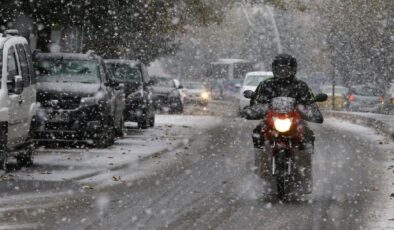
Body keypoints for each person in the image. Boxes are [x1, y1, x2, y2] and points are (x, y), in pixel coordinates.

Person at [244, 53, 323, 148]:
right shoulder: (266, 84)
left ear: (293, 70)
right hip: (271, 119)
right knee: (258, 133)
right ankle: (261, 155)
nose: (283, 72)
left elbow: (309, 101)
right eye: (280, 69)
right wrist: (251, 109)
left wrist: (312, 109)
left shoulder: (301, 86)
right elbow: (257, 101)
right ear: (274, 69)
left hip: (294, 120)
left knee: (307, 135)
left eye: (286, 69)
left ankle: (306, 158)